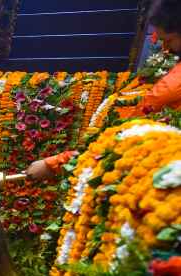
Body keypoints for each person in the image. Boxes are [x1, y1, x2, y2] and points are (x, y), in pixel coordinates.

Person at [27, 0, 181, 181]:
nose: (167, 48)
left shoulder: (171, 87)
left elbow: (127, 134)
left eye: (168, 40)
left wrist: (53, 164)